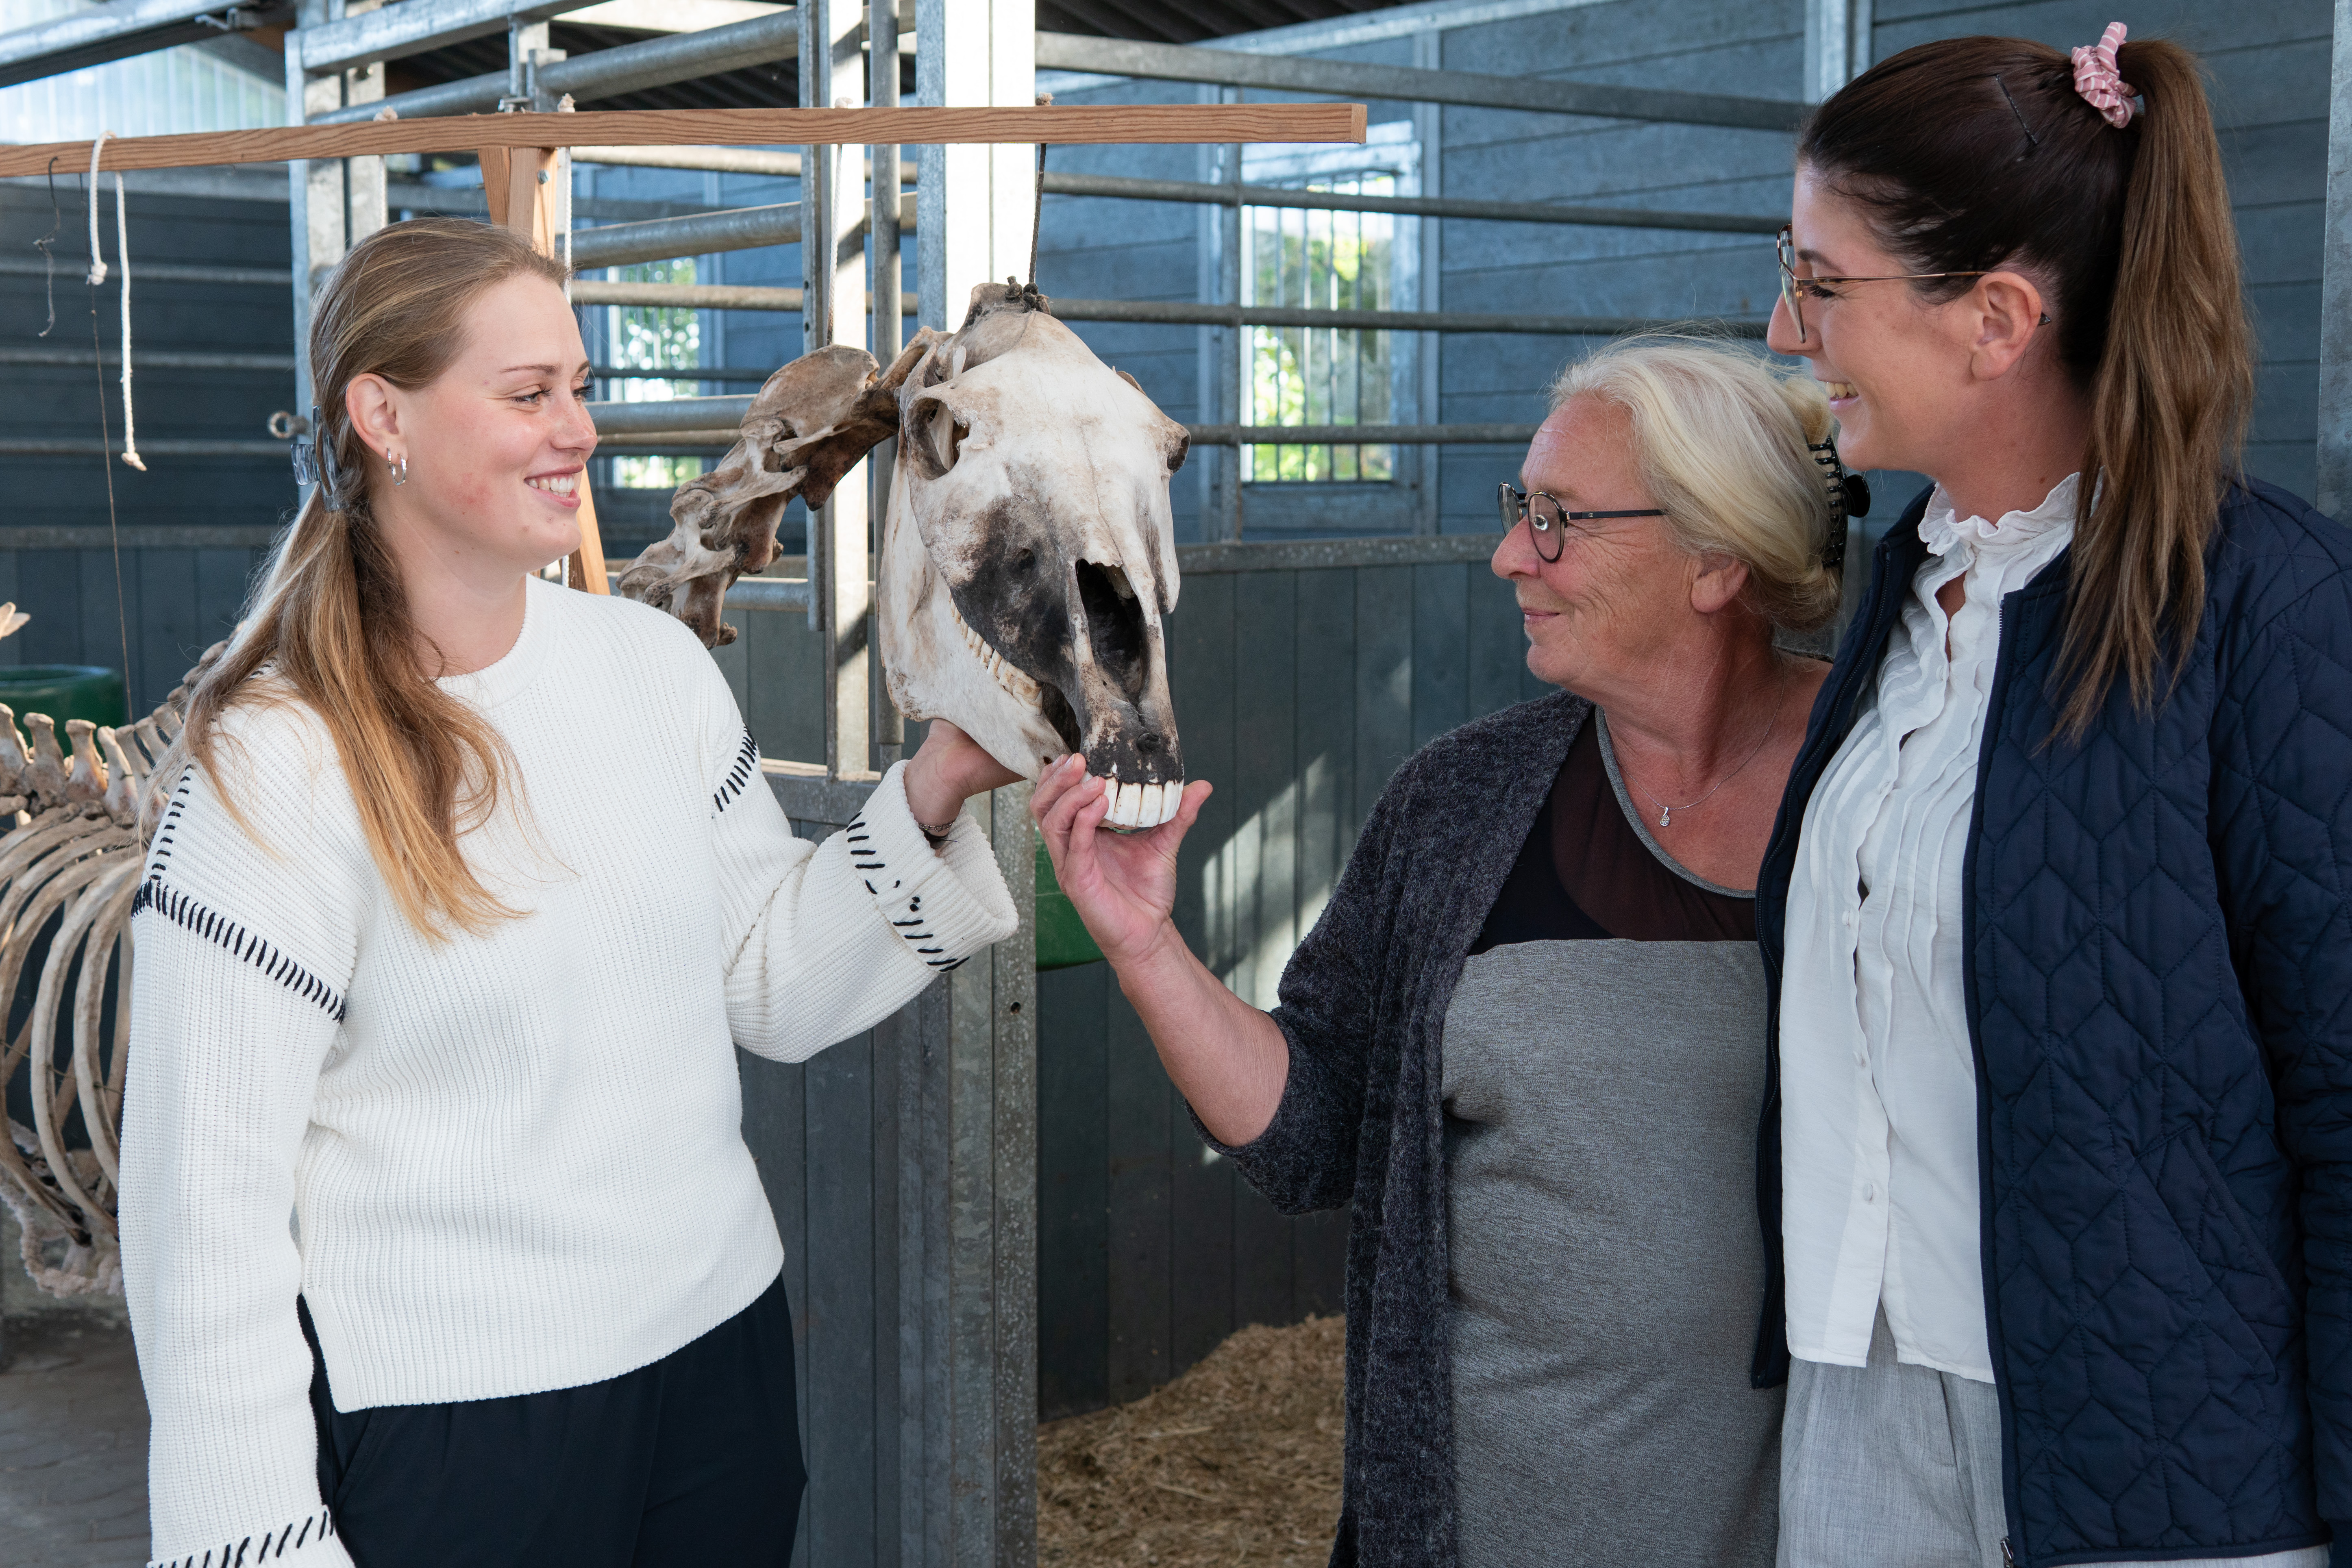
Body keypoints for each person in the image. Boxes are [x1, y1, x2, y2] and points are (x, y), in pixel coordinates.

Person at [119, 217, 1020, 1568]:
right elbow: (202, 1209)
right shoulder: (273, 761)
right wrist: (257, 1530)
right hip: (457, 1431)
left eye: (582, 388)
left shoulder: (653, 668)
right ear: (383, 416)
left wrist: (939, 780)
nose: (580, 432)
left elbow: (765, 975)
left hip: (717, 1364)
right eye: (529, 393)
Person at [1034, 335, 1858, 1567]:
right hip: (1478, 1526)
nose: (1510, 553)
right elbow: (1314, 1135)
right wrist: (1147, 945)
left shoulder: (1883, 785)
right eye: (1520, 507)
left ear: (1717, 558)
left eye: (1558, 518)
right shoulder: (1461, 805)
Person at [1761, 25, 2352, 1568]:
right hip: (1862, 1394)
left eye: (1820, 284)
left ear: (1996, 319)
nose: (1781, 328)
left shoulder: (2273, 610)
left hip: (2160, 1466)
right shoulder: (1907, 592)